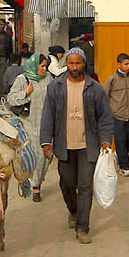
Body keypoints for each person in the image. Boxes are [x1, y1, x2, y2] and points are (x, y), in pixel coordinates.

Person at [40, 48, 113, 244]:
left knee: (85, 186)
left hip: (87, 146)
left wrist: (105, 140)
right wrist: (46, 142)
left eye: (78, 63)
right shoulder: (55, 87)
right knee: (67, 183)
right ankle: (73, 210)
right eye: (71, 63)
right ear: (66, 64)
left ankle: (83, 227)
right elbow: (47, 116)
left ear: (83, 64)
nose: (74, 67)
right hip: (64, 146)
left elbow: (105, 118)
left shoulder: (95, 88)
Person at [7, 54, 51, 202]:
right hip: (28, 124)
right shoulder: (22, 79)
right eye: (42, 66)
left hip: (45, 123)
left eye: (45, 66)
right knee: (33, 155)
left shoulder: (48, 78)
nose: (44, 69)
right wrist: (25, 92)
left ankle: (38, 180)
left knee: (45, 157)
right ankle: (35, 186)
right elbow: (11, 98)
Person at [103, 53, 129, 177]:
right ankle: (124, 167)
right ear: (119, 64)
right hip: (117, 115)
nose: (128, 66)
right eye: (126, 64)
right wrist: (106, 112)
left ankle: (120, 155)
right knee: (120, 141)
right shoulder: (112, 79)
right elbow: (104, 95)